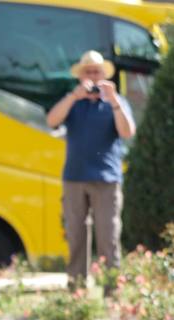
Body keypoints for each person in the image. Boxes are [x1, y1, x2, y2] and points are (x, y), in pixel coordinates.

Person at [46, 50, 134, 293]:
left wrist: (114, 101)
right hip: (74, 178)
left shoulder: (116, 102)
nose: (93, 77)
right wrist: (74, 96)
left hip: (107, 179)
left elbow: (127, 133)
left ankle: (111, 290)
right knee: (75, 235)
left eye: (97, 72)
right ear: (80, 76)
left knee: (108, 237)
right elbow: (52, 121)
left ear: (104, 75)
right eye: (88, 72)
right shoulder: (73, 102)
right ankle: (76, 288)